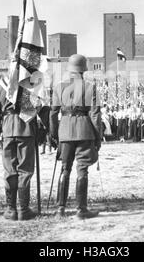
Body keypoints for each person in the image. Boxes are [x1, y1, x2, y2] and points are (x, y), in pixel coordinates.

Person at [49, 54, 102, 219]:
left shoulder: (59, 87)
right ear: (83, 69)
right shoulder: (89, 86)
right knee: (82, 170)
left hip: (64, 131)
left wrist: (54, 135)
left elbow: (52, 113)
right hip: (84, 131)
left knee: (65, 169)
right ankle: (81, 210)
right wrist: (97, 137)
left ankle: (60, 209)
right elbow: (95, 115)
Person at [0, 74, 45, 221]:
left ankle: (11, 209)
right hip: (25, 127)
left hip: (7, 129)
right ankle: (23, 209)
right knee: (25, 170)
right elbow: (40, 106)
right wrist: (48, 128)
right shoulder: (29, 83)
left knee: (9, 170)